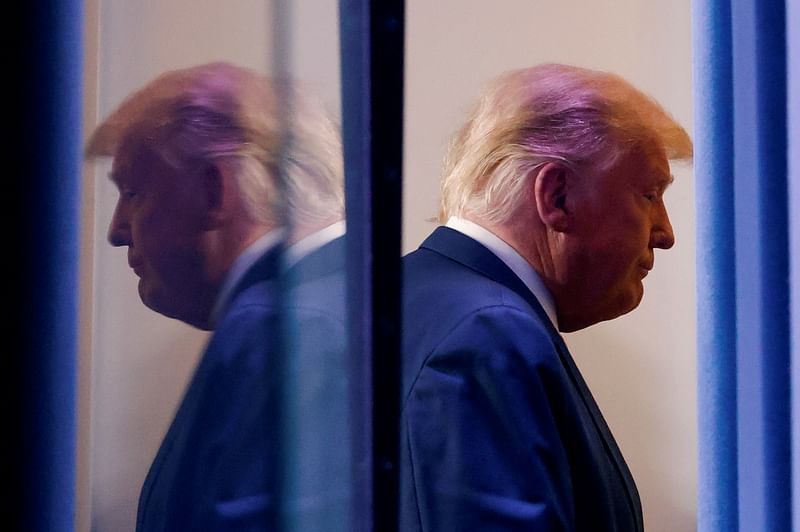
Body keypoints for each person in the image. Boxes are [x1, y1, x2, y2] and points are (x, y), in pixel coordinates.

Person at [399, 63, 692, 531]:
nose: (666, 234)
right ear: (557, 197)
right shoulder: (486, 337)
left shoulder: (412, 301)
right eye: (650, 194)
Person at [86, 62, 350, 531]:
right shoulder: (343, 302)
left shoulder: (280, 328)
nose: (116, 231)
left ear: (213, 190)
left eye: (133, 191)